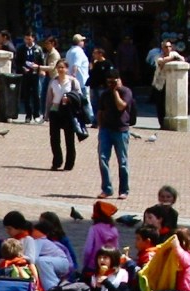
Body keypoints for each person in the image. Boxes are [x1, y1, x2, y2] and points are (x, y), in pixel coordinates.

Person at [97, 69, 135, 201]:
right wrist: (100, 127)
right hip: (106, 130)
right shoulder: (104, 94)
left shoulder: (126, 92)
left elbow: (121, 106)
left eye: (113, 82)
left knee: (122, 162)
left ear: (119, 80)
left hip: (121, 130)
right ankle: (106, 189)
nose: (111, 85)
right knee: (103, 158)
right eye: (109, 82)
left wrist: (115, 92)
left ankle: (124, 190)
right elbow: (100, 111)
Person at [45, 59, 82, 172]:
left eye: (63, 67)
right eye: (59, 67)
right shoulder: (53, 82)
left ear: (67, 69)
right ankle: (57, 162)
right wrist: (47, 113)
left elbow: (79, 96)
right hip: (55, 110)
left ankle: (69, 164)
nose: (60, 70)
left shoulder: (73, 81)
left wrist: (70, 99)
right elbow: (49, 98)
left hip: (67, 111)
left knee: (69, 138)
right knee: (54, 138)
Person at [82, 200, 119, 277]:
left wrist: (85, 264)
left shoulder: (94, 229)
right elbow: (117, 248)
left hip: (93, 266)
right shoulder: (114, 229)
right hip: (110, 266)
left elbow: (88, 250)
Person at [151, 40, 183, 129]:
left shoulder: (174, 53)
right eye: (166, 47)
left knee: (168, 104)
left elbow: (183, 59)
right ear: (162, 48)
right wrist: (173, 58)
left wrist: (173, 57)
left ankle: (168, 122)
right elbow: (161, 62)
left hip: (170, 83)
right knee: (160, 104)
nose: (168, 48)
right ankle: (162, 124)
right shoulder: (158, 56)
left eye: (169, 46)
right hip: (159, 84)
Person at [15, 30, 44, 123]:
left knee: (36, 95)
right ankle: (28, 115)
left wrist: (40, 69)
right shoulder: (21, 49)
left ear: (33, 39)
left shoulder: (38, 49)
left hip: (35, 75)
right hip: (26, 75)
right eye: (26, 39)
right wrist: (22, 68)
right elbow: (17, 62)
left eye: (29, 39)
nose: (27, 41)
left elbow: (42, 61)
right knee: (26, 95)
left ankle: (36, 114)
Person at [65, 34, 91, 123]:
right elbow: (76, 65)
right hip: (81, 80)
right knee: (85, 100)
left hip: (72, 81)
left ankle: (80, 117)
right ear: (79, 42)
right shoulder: (79, 52)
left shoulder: (69, 51)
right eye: (82, 41)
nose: (83, 42)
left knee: (75, 100)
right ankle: (90, 118)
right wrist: (74, 75)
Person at [88, 48, 113, 125]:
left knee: (103, 103)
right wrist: (91, 68)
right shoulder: (95, 63)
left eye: (95, 53)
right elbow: (91, 74)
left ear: (100, 54)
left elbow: (110, 74)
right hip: (94, 86)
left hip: (102, 87)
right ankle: (96, 120)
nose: (93, 55)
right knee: (94, 103)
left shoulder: (107, 63)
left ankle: (104, 120)